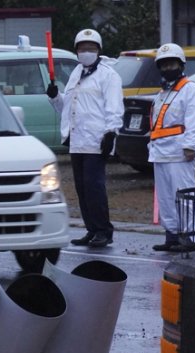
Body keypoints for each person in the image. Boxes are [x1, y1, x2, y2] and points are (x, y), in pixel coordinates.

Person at [47, 28, 124, 248]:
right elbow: (66, 109)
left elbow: (114, 107)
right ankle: (91, 229)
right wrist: (55, 98)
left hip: (96, 140)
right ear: (77, 51)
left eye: (91, 48)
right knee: (82, 188)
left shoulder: (108, 75)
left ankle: (103, 230)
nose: (86, 52)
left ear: (98, 50)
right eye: (82, 48)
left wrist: (111, 132)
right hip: (76, 140)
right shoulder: (76, 73)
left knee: (94, 187)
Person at [148, 44, 195, 253]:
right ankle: (172, 234)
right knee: (165, 198)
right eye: (163, 65)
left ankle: (193, 236)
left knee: (186, 195)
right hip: (160, 153)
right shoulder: (163, 92)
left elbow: (193, 121)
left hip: (180, 153)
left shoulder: (189, 89)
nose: (167, 68)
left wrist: (191, 146)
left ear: (181, 65)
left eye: (171, 64)